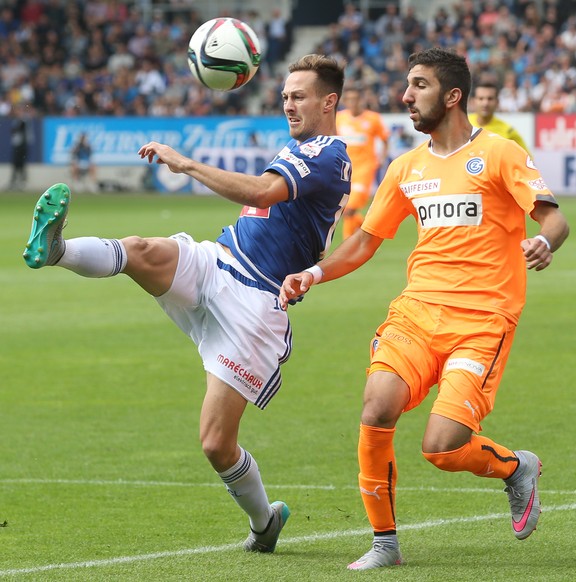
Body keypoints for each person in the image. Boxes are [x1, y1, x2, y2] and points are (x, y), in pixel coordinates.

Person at [22, 54, 350, 553]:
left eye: (298, 95)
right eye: (284, 95)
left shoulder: (328, 152)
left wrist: (185, 163)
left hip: (256, 303)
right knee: (140, 249)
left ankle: (264, 523)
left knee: (216, 443)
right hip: (220, 259)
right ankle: (56, 251)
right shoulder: (303, 145)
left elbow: (263, 189)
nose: (287, 103)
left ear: (329, 102)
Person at [280, 47, 569, 570]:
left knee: (442, 446)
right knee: (376, 408)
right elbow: (366, 241)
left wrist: (544, 242)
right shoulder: (406, 168)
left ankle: (515, 468)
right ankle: (384, 543)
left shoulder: (500, 154)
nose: (406, 96)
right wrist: (314, 272)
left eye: (419, 85)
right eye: (407, 85)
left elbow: (553, 219)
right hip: (417, 312)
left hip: (482, 321)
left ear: (452, 96)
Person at [336, 87, 390, 239]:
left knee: (350, 209)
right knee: (345, 210)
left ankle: (347, 245)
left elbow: (385, 139)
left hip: (365, 169)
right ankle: (369, 233)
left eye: (356, 99)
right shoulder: (339, 118)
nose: (352, 102)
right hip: (345, 171)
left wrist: (382, 158)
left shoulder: (373, 118)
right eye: (349, 99)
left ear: (362, 100)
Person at [469, 80, 531, 155]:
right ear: (473, 101)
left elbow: (528, 161)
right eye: (481, 98)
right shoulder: (463, 124)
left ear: (497, 102)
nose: (485, 103)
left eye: (490, 99)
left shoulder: (508, 131)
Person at [8, 103, 30, 191]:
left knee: (20, 163)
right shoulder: (17, 120)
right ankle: (15, 182)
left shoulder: (23, 120)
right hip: (17, 145)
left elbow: (17, 129)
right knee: (16, 164)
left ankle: (21, 182)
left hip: (22, 145)